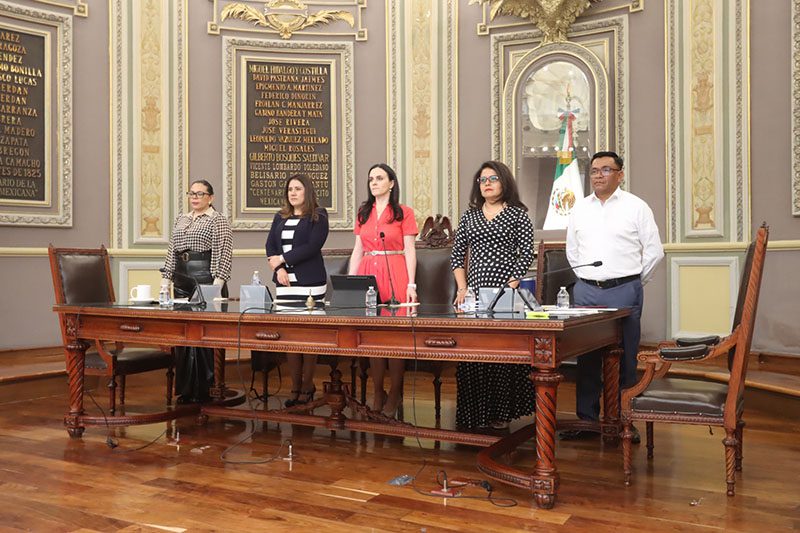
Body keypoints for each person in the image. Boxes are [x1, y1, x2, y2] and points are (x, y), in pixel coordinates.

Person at [560, 151, 664, 442]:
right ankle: (587, 421)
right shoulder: (580, 208)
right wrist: (587, 279)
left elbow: (654, 251)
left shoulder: (636, 207)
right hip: (586, 291)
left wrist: (632, 281)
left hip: (624, 290)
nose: (598, 175)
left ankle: (622, 421)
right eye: (594, 170)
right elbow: (572, 251)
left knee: (625, 359)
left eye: (606, 170)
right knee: (587, 357)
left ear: (620, 174)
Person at [450, 160, 535, 430]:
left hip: (505, 293)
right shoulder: (470, 216)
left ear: (504, 182)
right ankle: (474, 413)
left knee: (501, 352)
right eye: (482, 180)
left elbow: (526, 253)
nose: (487, 184)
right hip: (474, 293)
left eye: (493, 179)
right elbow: (457, 256)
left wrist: (513, 282)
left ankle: (501, 413)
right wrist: (462, 288)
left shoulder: (518, 215)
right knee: (474, 352)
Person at [348, 163, 418, 417]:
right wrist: (351, 282)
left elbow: (410, 250)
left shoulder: (403, 212)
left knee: (394, 338)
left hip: (395, 271)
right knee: (373, 338)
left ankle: (396, 392)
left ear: (391, 183)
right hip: (368, 272)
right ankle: (378, 392)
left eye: (379, 178)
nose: (374, 183)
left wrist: (411, 284)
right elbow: (358, 250)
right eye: (371, 179)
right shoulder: (363, 212)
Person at [161, 179, 233, 403]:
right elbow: (172, 251)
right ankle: (186, 390)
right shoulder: (181, 219)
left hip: (205, 278)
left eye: (200, 194)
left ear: (210, 198)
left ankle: (205, 390)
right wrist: (165, 281)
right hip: (181, 278)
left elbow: (224, 254)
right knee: (184, 334)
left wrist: (216, 288)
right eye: (191, 193)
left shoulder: (217, 220)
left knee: (203, 336)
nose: (195, 197)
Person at [265, 174, 329, 407]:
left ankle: (308, 385)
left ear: (307, 191)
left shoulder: (319, 215)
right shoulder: (280, 216)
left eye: (298, 188)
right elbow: (270, 245)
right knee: (290, 336)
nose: (292, 193)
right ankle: (295, 386)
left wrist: (282, 259)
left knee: (309, 336)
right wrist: (279, 268)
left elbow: (312, 246)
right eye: (290, 189)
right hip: (285, 283)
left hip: (310, 282)